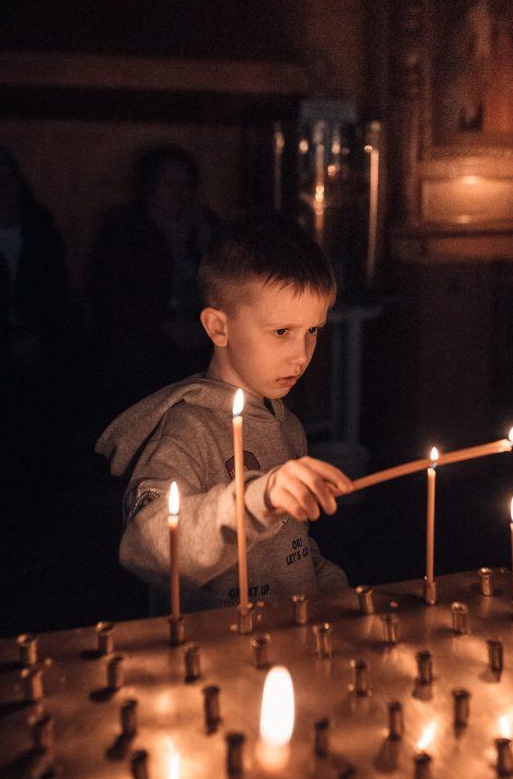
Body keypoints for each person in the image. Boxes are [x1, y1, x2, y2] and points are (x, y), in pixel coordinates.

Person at [96, 212, 353, 613]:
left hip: (288, 639)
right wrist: (254, 500)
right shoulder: (187, 428)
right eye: (282, 331)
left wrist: (328, 585)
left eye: (313, 331)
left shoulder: (286, 425)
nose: (301, 355)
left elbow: (290, 544)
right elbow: (148, 544)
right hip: (215, 650)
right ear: (218, 327)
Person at [0, 144, 72, 443]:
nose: (2, 188)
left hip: (38, 341)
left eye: (8, 178)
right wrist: (0, 342)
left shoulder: (38, 226)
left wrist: (37, 336)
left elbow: (54, 290)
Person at [87, 145, 215, 418]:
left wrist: (205, 246)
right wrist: (161, 327)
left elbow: (225, 285)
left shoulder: (204, 227)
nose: (178, 194)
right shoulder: (124, 229)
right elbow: (111, 294)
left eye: (185, 185)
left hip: (197, 341)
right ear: (148, 186)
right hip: (140, 349)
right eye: (169, 184)